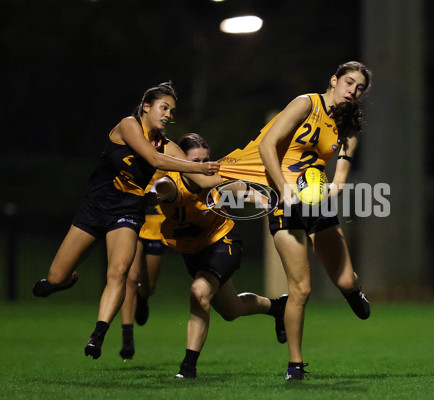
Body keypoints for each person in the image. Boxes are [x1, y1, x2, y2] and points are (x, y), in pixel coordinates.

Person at [32, 82, 221, 360]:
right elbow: (154, 160)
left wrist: (243, 173)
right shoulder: (128, 126)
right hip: (94, 208)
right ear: (146, 106)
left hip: (128, 212)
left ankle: (98, 334)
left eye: (172, 110)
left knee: (120, 272)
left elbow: (203, 179)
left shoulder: (168, 145)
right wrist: (197, 166)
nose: (169, 114)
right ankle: (64, 280)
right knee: (56, 276)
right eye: (163, 107)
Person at [218, 61, 372, 380]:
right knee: (301, 289)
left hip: (314, 201)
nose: (353, 91)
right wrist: (284, 190)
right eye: (349, 83)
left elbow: (341, 175)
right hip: (284, 200)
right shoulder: (306, 103)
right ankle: (295, 366)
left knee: (344, 280)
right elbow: (266, 145)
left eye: (359, 89)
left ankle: (353, 290)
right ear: (334, 80)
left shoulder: (349, 127)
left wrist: (329, 190)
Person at [149, 133, 287, 379]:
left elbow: (244, 190)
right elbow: (159, 189)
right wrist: (148, 195)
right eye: (196, 162)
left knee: (198, 293)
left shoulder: (216, 180)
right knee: (231, 311)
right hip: (194, 253)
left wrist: (270, 203)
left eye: (206, 160)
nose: (204, 167)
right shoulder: (172, 183)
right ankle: (277, 307)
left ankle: (188, 368)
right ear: (182, 163)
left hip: (223, 244)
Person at [118, 199, 166, 360]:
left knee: (149, 286)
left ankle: (143, 298)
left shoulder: (171, 172)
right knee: (131, 278)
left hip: (156, 228)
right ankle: (127, 338)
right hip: (132, 223)